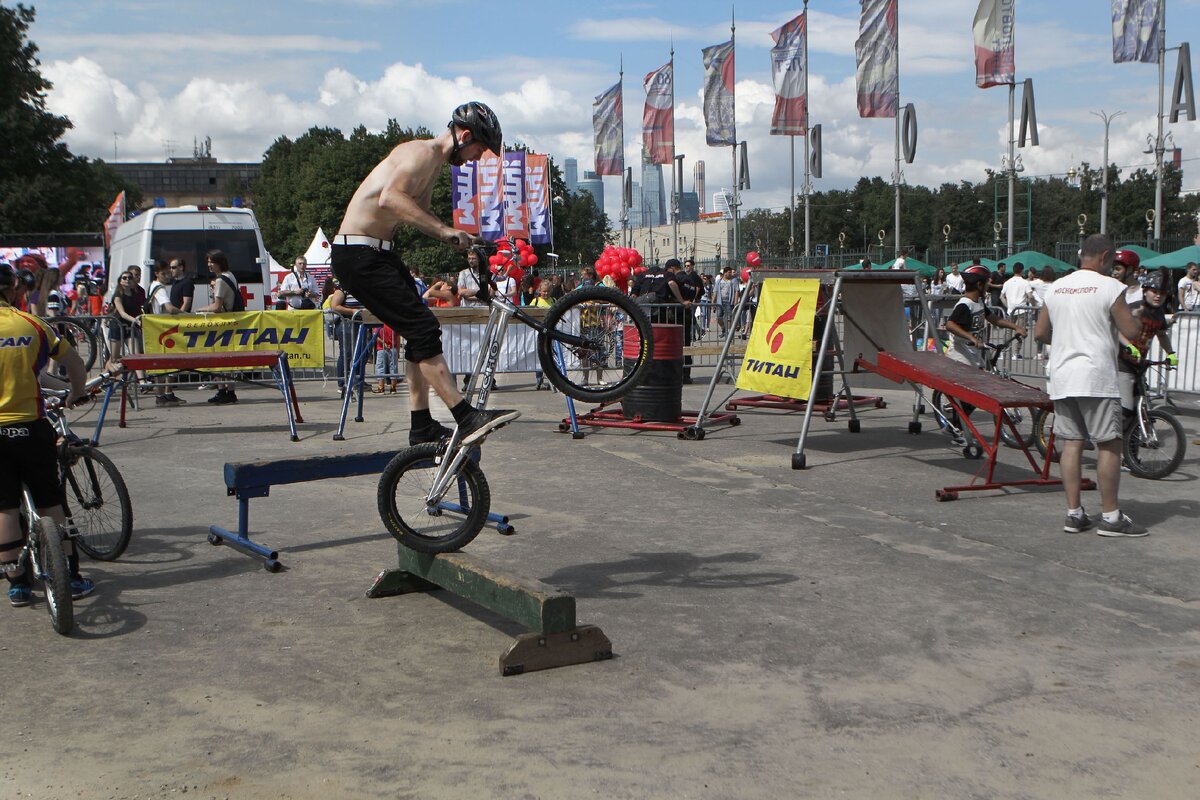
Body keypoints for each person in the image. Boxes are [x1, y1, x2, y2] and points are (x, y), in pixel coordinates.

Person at [330, 101, 518, 447]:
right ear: (465, 136)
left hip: (378, 253)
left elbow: (419, 214)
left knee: (419, 334)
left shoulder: (433, 166)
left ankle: (421, 426)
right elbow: (390, 199)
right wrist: (445, 231)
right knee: (423, 329)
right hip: (358, 253)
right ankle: (465, 416)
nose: (478, 158)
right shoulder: (420, 152)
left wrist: (461, 237)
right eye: (479, 149)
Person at [1034, 234, 1146, 537]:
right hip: (1096, 377)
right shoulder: (1109, 287)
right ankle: (1111, 517)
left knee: (1071, 443)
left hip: (1063, 375)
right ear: (1105, 256)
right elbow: (1131, 330)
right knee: (1109, 444)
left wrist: (1065, 340)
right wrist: (1139, 316)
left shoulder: (1057, 287)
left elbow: (1040, 332)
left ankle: (1074, 514)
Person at [0, 263, 94, 608]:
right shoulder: (32, 324)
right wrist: (75, 393)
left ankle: (17, 585)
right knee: (51, 502)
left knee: (5, 508)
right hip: (31, 426)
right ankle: (71, 576)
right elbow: (76, 364)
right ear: (13, 289)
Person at [940, 264, 1028, 445]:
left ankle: (956, 422)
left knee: (976, 393)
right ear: (979, 285)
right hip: (960, 354)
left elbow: (993, 318)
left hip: (973, 353)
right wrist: (971, 337)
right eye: (987, 283)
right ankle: (956, 429)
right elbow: (950, 325)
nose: (989, 286)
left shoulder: (979, 303)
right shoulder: (965, 305)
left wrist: (1015, 327)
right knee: (971, 394)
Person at [197, 250, 240, 404]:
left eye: (212, 262)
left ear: (219, 262)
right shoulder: (230, 275)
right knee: (229, 361)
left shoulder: (221, 280)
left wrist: (199, 310)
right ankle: (230, 392)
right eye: (208, 261)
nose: (209, 265)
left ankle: (222, 391)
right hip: (231, 322)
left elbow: (216, 306)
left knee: (219, 360)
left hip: (222, 324)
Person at [147, 261, 185, 407]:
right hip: (162, 330)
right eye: (163, 273)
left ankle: (166, 394)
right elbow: (169, 308)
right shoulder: (160, 289)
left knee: (164, 364)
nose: (167, 276)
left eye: (168, 273)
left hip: (157, 329)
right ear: (156, 273)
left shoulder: (152, 286)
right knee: (166, 363)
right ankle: (161, 395)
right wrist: (184, 314)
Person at [712, 265, 739, 337]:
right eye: (729, 272)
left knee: (729, 317)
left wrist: (736, 301)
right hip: (720, 302)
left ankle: (729, 333)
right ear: (725, 273)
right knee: (719, 317)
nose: (730, 274)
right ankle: (723, 328)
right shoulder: (719, 281)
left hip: (729, 302)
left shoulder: (733, 281)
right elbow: (715, 292)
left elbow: (737, 291)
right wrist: (713, 302)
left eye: (731, 272)